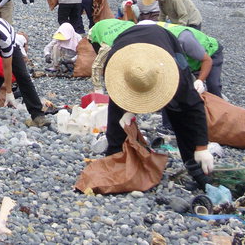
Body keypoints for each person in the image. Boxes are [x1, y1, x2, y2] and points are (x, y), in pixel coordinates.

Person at [103, 24, 213, 188]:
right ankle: (115, 158)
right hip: (126, 42)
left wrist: (202, 146)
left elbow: (194, 108)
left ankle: (195, 166)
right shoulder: (113, 67)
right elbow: (119, 96)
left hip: (164, 40)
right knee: (117, 113)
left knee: (180, 110)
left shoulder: (177, 77)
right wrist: (127, 109)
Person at [156, 22, 223, 97]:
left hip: (211, 53)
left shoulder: (184, 39)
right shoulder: (158, 44)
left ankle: (220, 104)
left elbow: (207, 60)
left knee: (213, 85)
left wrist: (200, 81)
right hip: (191, 58)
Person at [88, 18, 136, 93]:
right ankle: (108, 79)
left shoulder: (135, 32)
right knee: (104, 61)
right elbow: (96, 66)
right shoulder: (107, 46)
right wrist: (98, 90)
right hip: (96, 30)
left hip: (114, 25)